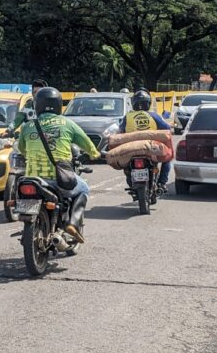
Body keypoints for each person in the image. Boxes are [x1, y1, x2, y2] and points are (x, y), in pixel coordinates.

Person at [17, 87, 100, 243]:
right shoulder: (67, 123)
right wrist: (95, 154)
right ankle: (73, 224)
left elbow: (22, 149)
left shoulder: (27, 126)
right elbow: (87, 144)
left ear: (37, 105)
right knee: (83, 189)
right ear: (58, 105)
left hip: (32, 178)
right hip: (57, 179)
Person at [119, 89, 172, 192]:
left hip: (132, 148)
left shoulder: (128, 117)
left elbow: (120, 130)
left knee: (126, 165)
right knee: (168, 158)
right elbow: (167, 129)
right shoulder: (154, 116)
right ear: (148, 103)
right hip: (151, 148)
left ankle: (130, 180)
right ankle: (162, 183)